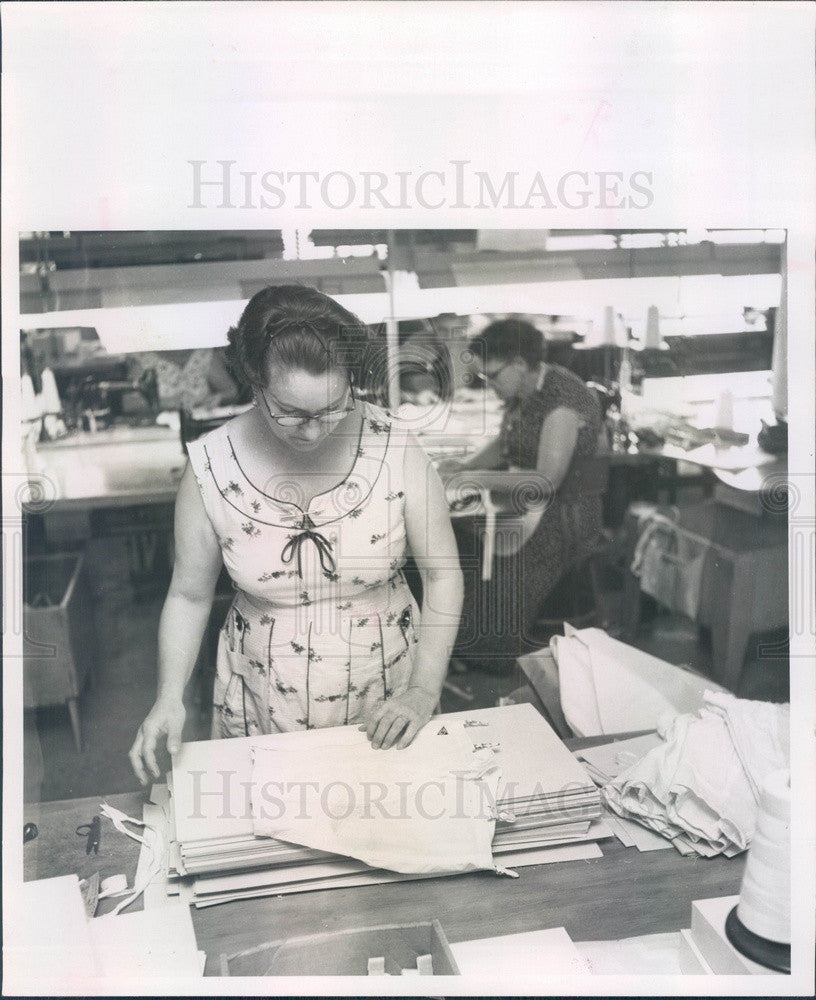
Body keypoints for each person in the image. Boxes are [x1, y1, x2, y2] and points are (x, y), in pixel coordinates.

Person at [129, 286, 463, 783]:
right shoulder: (211, 466)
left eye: (333, 408)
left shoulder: (394, 446)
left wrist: (422, 689)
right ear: (254, 382)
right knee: (276, 828)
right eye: (292, 413)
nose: (314, 431)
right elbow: (189, 594)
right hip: (264, 689)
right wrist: (168, 696)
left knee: (391, 823)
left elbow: (443, 575)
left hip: (388, 682)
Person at [440, 318, 603, 671]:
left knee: (498, 572)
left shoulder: (562, 402)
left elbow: (545, 481)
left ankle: (492, 657)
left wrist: (478, 479)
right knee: (462, 537)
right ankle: (462, 645)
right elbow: (506, 443)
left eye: (493, 376)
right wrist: (463, 468)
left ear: (518, 365)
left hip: (565, 515)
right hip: (531, 504)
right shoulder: (525, 391)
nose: (489, 385)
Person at [128, 347, 240, 411]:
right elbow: (130, 401)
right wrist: (170, 403)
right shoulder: (142, 357)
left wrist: (218, 398)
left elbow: (231, 391)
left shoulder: (203, 354)